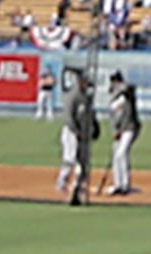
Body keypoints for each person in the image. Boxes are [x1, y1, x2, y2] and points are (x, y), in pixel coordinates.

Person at [61, 67, 100, 204]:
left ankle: (80, 184)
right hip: (72, 132)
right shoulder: (73, 97)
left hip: (84, 134)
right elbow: (69, 117)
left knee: (84, 161)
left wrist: (95, 128)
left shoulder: (88, 98)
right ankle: (63, 181)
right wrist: (76, 132)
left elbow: (91, 115)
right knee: (70, 158)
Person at [105, 70, 143, 197]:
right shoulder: (112, 96)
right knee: (116, 156)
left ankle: (125, 184)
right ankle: (118, 184)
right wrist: (115, 131)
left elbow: (130, 88)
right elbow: (114, 116)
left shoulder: (127, 93)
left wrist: (120, 87)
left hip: (130, 128)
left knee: (122, 154)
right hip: (119, 130)